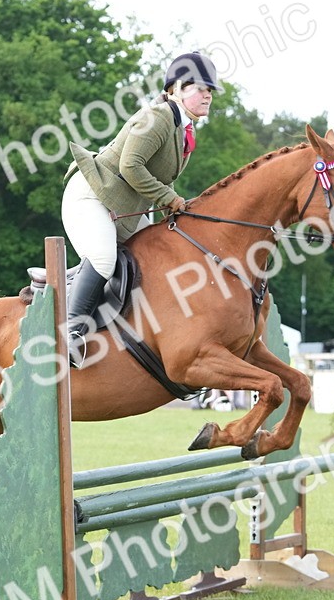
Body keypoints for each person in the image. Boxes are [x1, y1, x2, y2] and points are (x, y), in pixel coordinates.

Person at [61, 51, 220, 366]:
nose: (207, 95)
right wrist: (167, 199)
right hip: (91, 194)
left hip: (124, 209)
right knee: (105, 259)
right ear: (175, 88)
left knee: (159, 257)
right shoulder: (158, 117)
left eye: (210, 90)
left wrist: (177, 208)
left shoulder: (183, 129)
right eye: (199, 87)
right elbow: (130, 166)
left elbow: (158, 177)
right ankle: (70, 333)